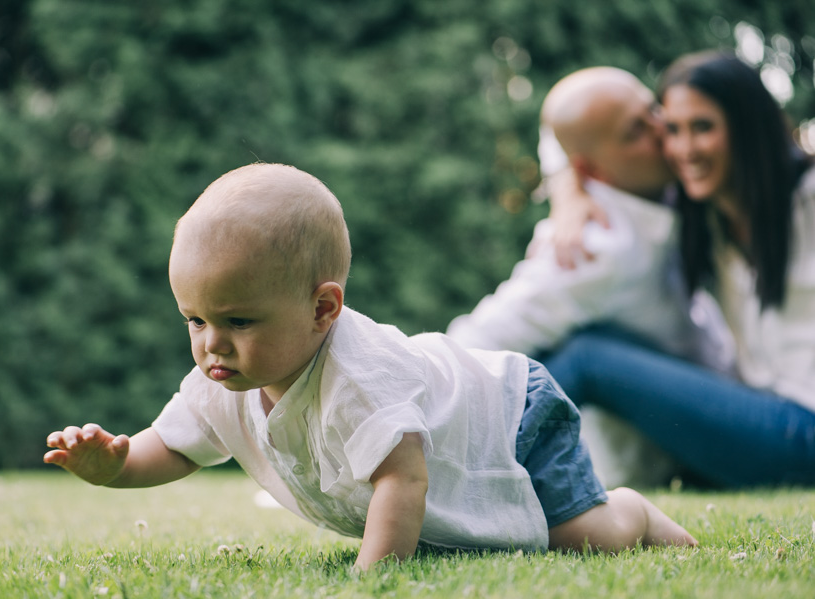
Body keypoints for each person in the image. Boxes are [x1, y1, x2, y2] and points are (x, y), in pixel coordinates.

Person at [44, 163, 696, 571]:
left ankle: (633, 511)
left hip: (512, 412)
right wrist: (116, 466)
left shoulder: (357, 375)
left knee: (584, 536)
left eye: (238, 321)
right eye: (195, 320)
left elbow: (401, 481)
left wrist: (374, 573)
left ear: (323, 307)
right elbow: (176, 445)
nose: (212, 344)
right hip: (473, 415)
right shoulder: (224, 380)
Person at [447, 67, 732, 487]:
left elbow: (556, 129)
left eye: (653, 109)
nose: (665, 128)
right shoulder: (590, 249)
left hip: (716, 398)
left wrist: (564, 181)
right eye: (637, 131)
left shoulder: (662, 187)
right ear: (593, 170)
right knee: (570, 360)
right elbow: (478, 340)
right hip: (659, 453)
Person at [542, 51, 815, 487]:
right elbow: (560, 125)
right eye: (672, 130)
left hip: (803, 431)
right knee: (580, 344)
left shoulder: (807, 198)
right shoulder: (702, 217)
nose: (684, 149)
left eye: (703, 128)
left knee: (587, 357)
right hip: (756, 419)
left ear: (748, 126)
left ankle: (464, 465)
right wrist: (567, 187)